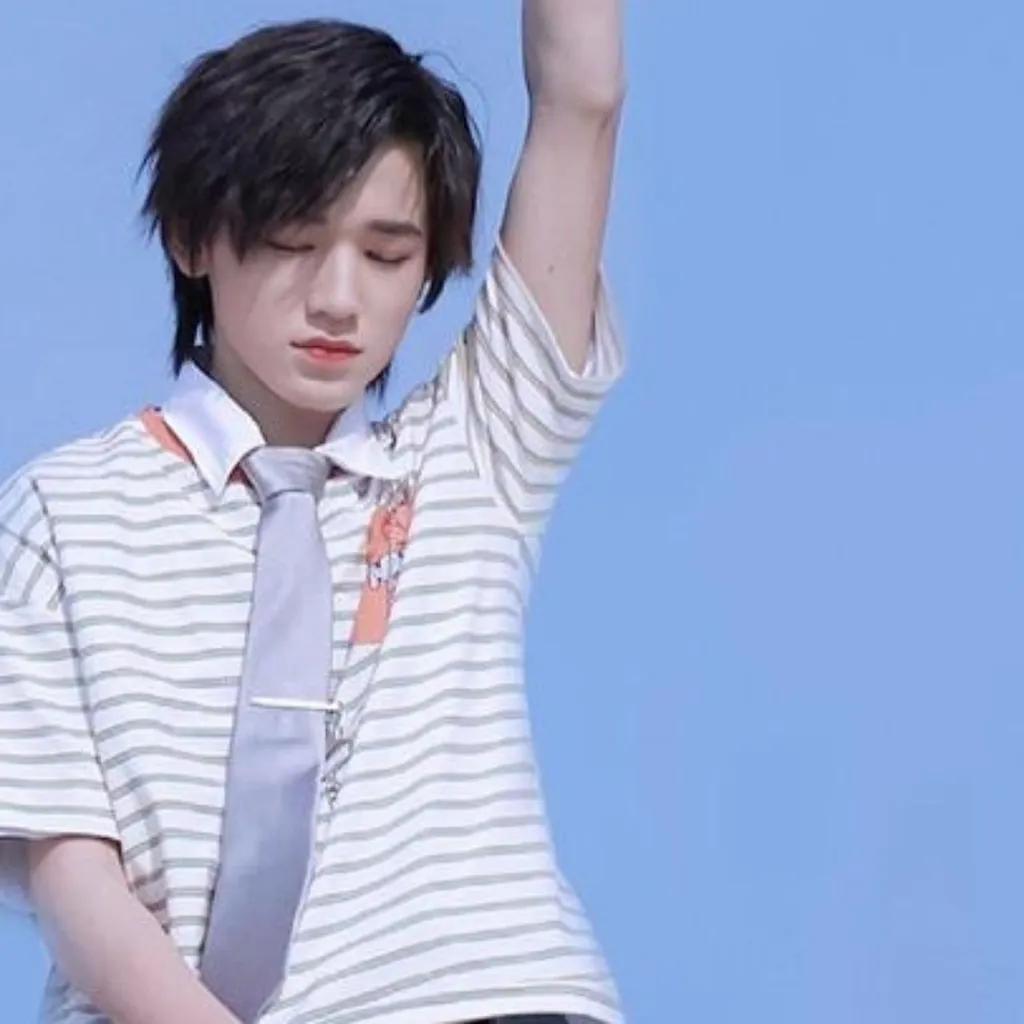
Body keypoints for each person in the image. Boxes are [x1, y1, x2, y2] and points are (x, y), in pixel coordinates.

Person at [0, 4, 626, 1023]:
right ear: (192, 238)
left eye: (386, 256)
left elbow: (581, 99)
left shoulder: (476, 448)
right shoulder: (63, 513)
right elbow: (71, 869)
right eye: (294, 240)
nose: (339, 298)